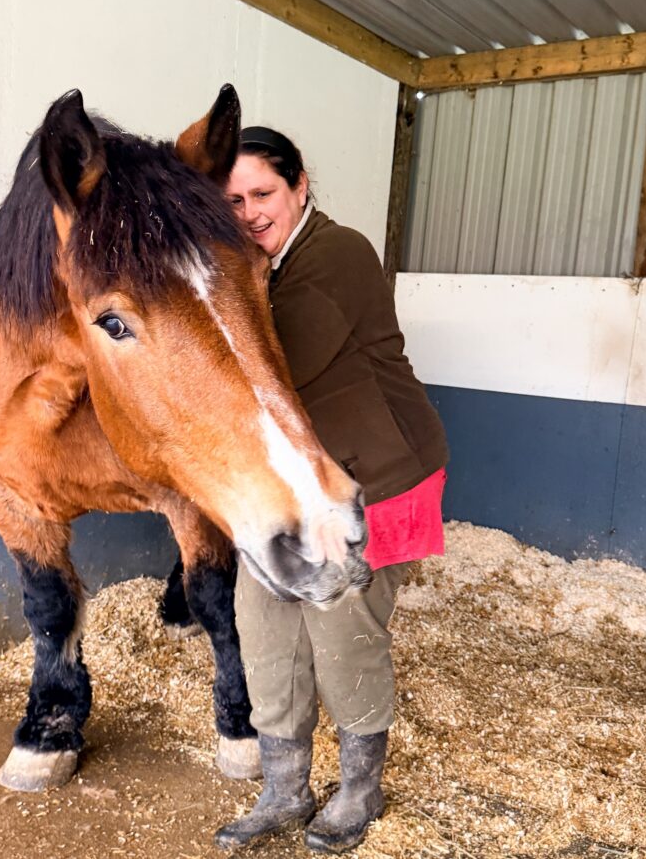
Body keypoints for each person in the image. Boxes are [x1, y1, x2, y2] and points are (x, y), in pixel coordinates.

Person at [214, 126, 449, 854]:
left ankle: (359, 790)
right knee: (261, 619)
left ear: (300, 186)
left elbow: (280, 367)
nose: (250, 211)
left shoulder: (339, 252)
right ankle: (284, 790)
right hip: (293, 486)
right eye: (232, 201)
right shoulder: (256, 267)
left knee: (341, 625)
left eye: (263, 194)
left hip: (375, 475)